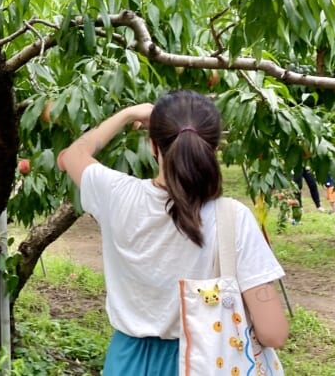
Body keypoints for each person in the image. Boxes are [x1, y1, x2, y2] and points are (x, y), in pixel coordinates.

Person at [58, 90, 289, 374]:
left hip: (127, 361)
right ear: (214, 149)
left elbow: (71, 156)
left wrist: (129, 113)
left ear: (153, 146)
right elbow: (273, 333)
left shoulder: (116, 196)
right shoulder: (232, 218)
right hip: (206, 360)